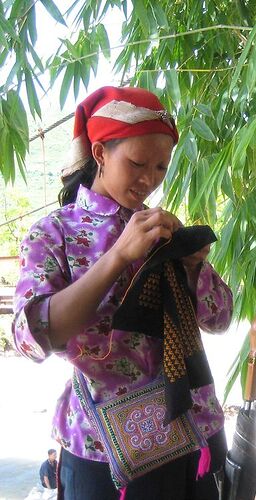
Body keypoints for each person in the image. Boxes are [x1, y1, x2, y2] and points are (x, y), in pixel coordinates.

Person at [12, 86, 233, 500]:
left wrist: (192, 265)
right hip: (104, 452)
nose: (149, 179)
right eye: (136, 163)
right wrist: (116, 257)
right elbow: (33, 337)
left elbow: (220, 318)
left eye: (161, 168)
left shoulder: (162, 230)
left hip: (190, 434)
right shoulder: (54, 233)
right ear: (99, 153)